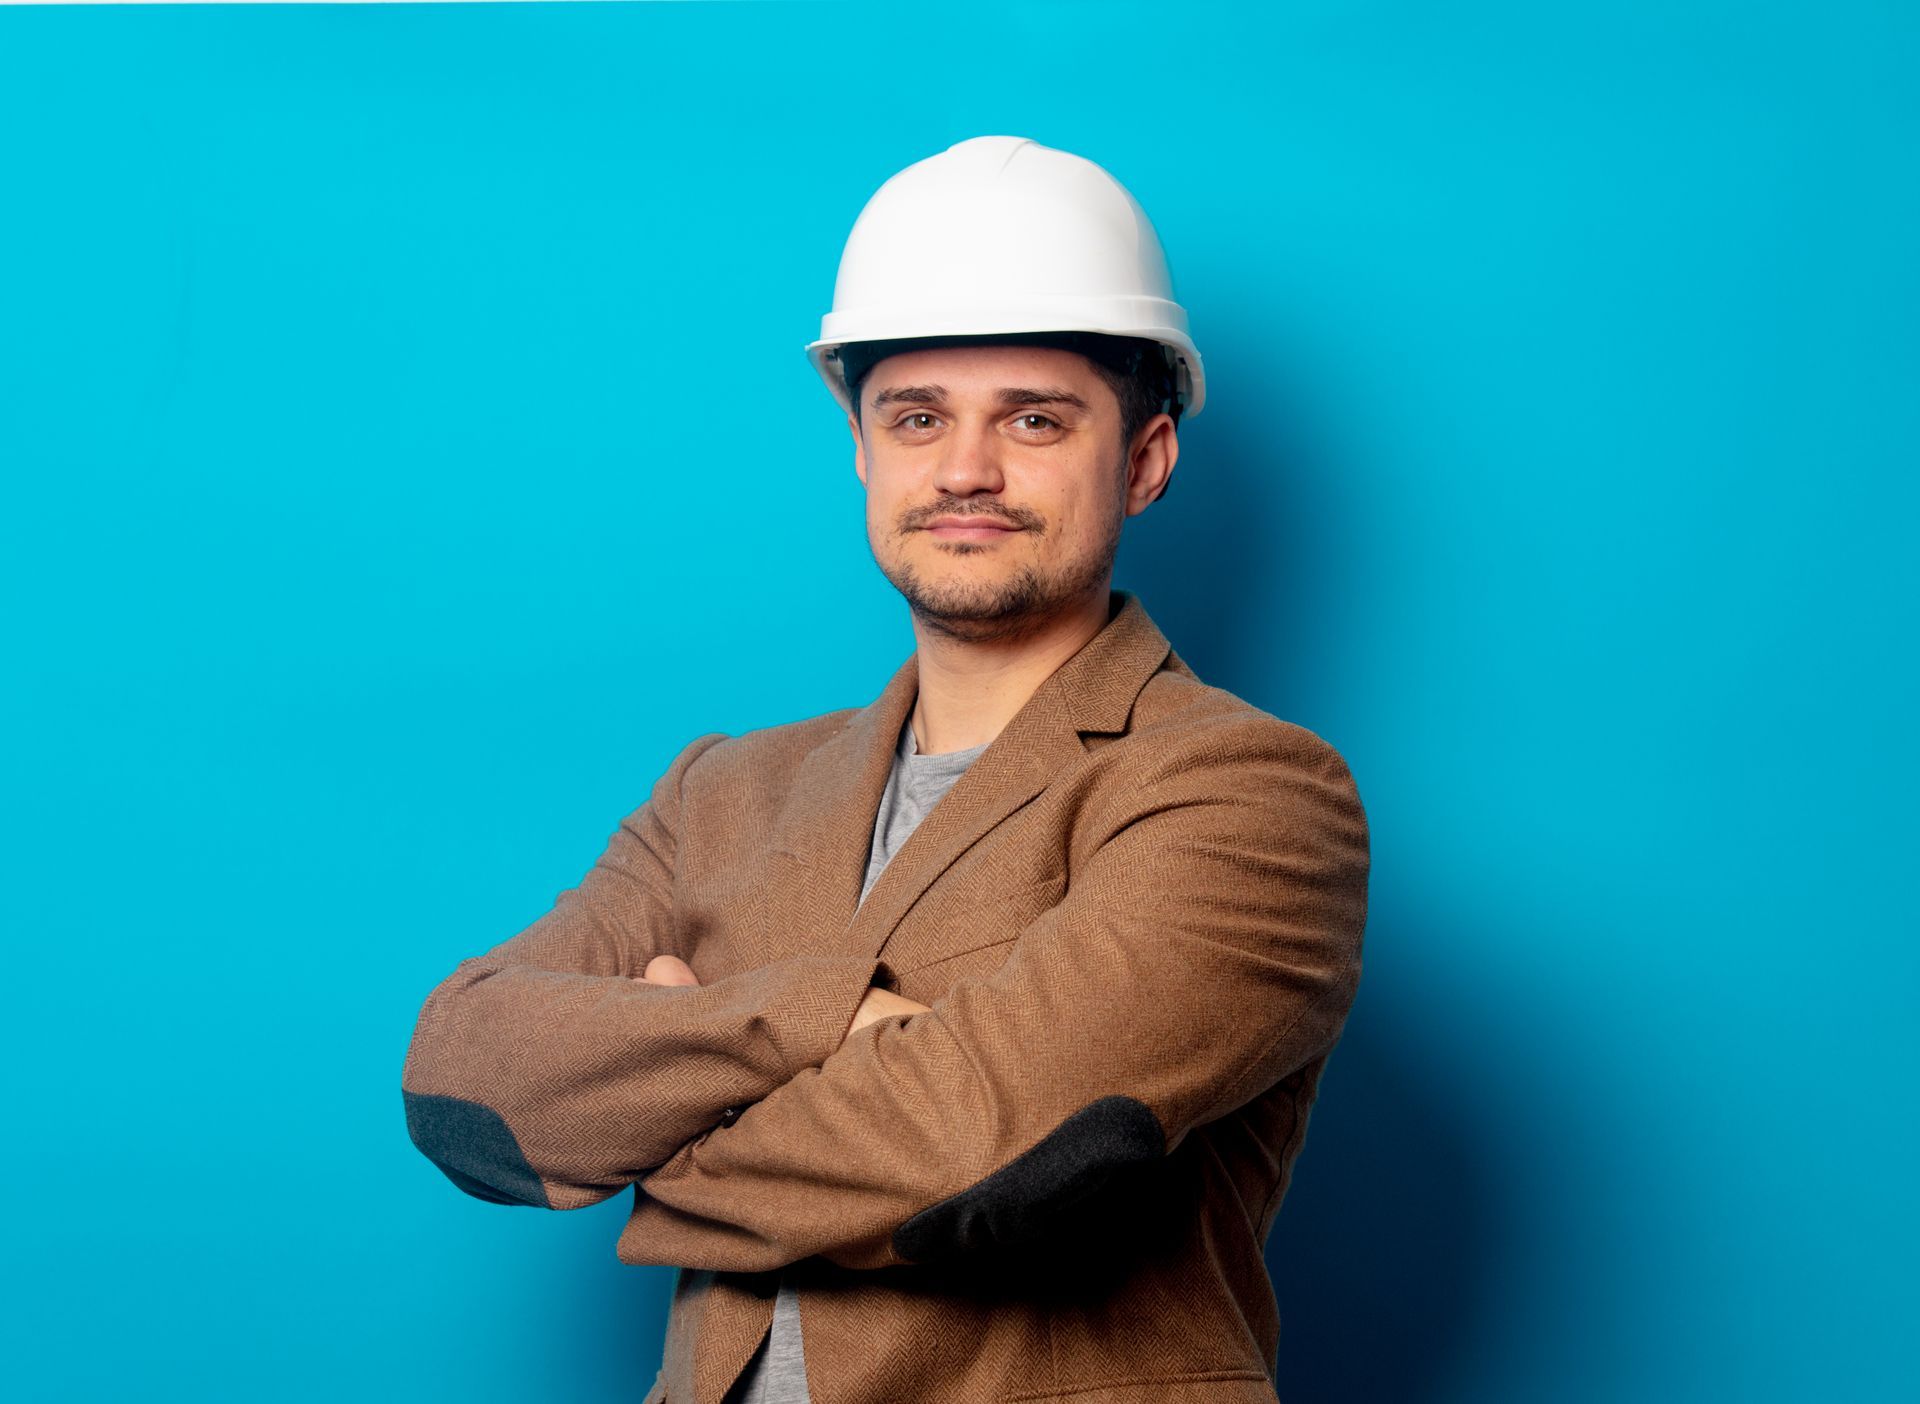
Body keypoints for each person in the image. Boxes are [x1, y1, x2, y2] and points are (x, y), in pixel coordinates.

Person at [402, 135, 1371, 1404]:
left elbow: (987, 1153)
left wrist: (649, 1111)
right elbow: (467, 1077)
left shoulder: (1249, 795)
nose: (965, 469)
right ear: (862, 449)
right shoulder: (723, 793)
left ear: (1144, 459)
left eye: (1034, 419)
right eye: (918, 418)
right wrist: (830, 1024)